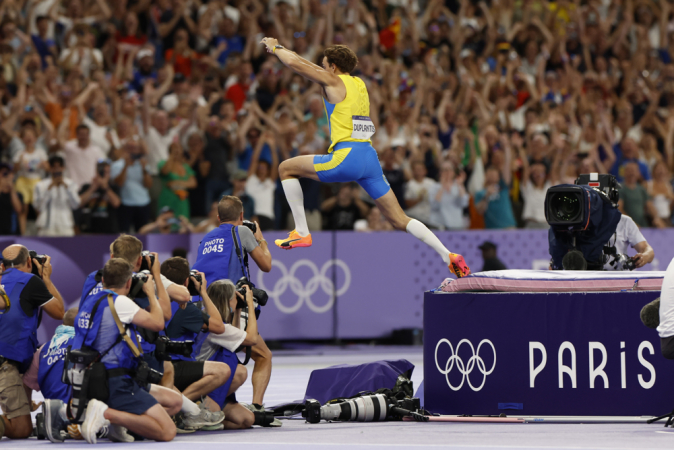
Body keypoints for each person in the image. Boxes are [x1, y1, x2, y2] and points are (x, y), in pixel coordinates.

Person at [258, 40, 470, 278]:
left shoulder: (334, 81)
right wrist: (292, 51)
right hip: (368, 158)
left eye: (324, 65)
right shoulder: (360, 84)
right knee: (400, 219)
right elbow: (304, 62)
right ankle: (448, 255)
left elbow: (297, 64)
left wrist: (276, 48)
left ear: (334, 67)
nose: (321, 69)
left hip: (346, 156)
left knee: (286, 168)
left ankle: (301, 231)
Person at [43, 259, 184, 444]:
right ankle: (107, 414)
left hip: (92, 376)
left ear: (103, 281)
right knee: (167, 432)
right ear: (128, 282)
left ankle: (88, 417)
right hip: (116, 380)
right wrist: (150, 293)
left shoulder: (89, 301)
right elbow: (158, 323)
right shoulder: (120, 302)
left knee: (175, 401)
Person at [191, 195, 278, 423]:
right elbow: (266, 265)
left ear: (218, 217)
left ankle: (222, 404)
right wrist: (261, 239)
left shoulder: (206, 238)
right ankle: (256, 406)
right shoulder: (242, 232)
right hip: (228, 307)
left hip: (203, 308)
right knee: (263, 355)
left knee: (221, 357)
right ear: (241, 216)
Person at [0, 245, 65, 439]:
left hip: (11, 362)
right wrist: (46, 278)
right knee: (21, 429)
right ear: (29, 262)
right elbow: (59, 312)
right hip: (5, 364)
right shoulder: (31, 280)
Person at [194, 280, 260, 429]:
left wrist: (237, 310)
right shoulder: (215, 326)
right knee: (240, 372)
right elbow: (252, 339)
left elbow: (234, 340)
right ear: (229, 300)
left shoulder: (209, 317)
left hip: (210, 378)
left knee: (246, 419)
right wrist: (250, 305)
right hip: (203, 380)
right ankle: (201, 406)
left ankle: (206, 418)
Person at [33, 155, 81, 236]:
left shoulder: (70, 184)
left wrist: (67, 188)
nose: (57, 170)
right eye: (54, 167)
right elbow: (38, 207)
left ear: (63, 168)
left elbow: (76, 205)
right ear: (50, 168)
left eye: (59, 167)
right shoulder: (41, 185)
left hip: (66, 226)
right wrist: (49, 189)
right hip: (46, 226)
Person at [78, 159, 121, 234]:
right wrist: (92, 188)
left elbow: (116, 203)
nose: (104, 175)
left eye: (106, 172)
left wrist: (106, 187)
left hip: (109, 230)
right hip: (90, 230)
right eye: (101, 172)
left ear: (110, 173)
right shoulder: (87, 187)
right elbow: (78, 203)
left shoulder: (113, 187)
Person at [158, 142, 197, 219]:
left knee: (183, 224)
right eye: (174, 148)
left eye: (179, 148)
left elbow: (193, 183)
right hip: (168, 199)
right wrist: (172, 156)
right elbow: (165, 171)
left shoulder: (185, 166)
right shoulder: (162, 163)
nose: (177, 150)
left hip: (182, 200)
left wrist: (176, 183)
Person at [0, 162, 22, 235]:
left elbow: (18, 210)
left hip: (12, 232)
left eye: (6, 173)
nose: (4, 176)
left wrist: (12, 188)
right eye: (2, 173)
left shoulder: (18, 194)